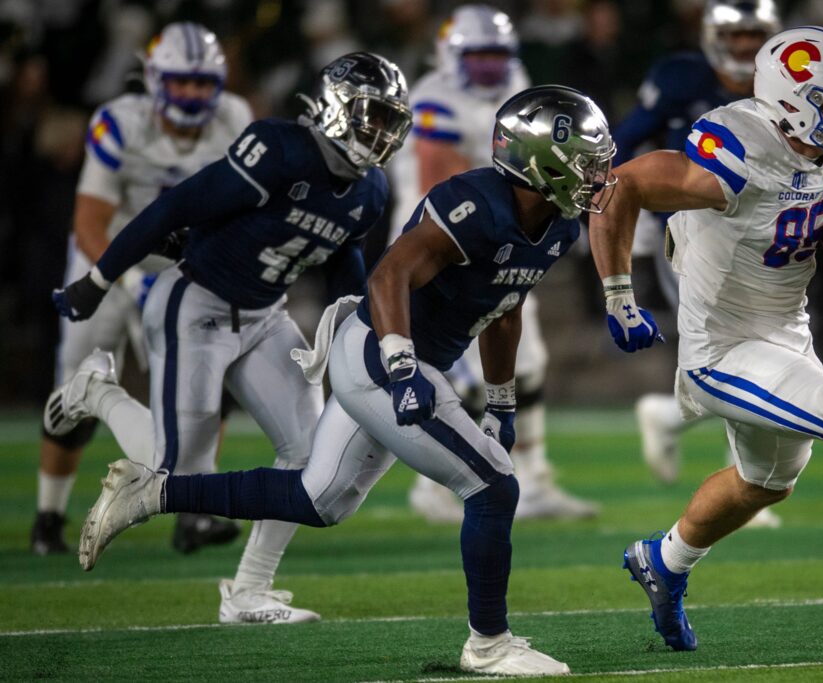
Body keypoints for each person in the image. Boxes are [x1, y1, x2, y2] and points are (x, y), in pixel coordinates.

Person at [74, 84, 618, 676]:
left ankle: (150, 492)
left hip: (408, 359)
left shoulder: (559, 224)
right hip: (383, 350)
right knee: (492, 485)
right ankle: (488, 642)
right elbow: (387, 277)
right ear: (541, 159)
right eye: (587, 160)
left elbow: (505, 306)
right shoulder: (474, 203)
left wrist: (503, 401)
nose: (598, 173)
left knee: (318, 499)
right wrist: (403, 368)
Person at [587, 26, 823, 651]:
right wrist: (618, 295)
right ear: (792, 99)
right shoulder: (738, 147)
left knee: (765, 482)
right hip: (722, 345)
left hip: (786, 330)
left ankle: (664, 561)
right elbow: (617, 188)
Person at [50, 52, 412, 624]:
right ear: (339, 110)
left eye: (390, 122)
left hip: (267, 314)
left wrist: (362, 337)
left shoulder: (371, 190)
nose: (380, 133)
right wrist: (98, 280)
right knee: (180, 475)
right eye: (371, 117)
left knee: (309, 455)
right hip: (195, 301)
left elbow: (345, 265)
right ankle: (97, 390)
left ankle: (248, 592)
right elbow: (175, 205)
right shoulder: (279, 148)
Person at [32, 22, 253, 556]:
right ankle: (48, 516)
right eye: (182, 82)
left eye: (203, 83)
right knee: (72, 392)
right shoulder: (119, 123)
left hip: (185, 267)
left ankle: (193, 512)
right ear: (154, 78)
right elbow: (88, 220)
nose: (194, 94)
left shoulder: (236, 121)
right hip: (106, 260)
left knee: (203, 384)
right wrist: (125, 275)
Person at [390, 4, 596, 522]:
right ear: (449, 54)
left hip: (506, 239)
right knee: (455, 376)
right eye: (477, 55)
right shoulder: (434, 97)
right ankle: (431, 485)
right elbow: (443, 172)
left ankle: (534, 477)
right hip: (447, 244)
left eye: (496, 55)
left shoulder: (519, 84)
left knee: (527, 364)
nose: (488, 66)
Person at [617, 2, 784, 524]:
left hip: (766, 227)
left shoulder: (784, 84)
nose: (742, 47)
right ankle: (748, 478)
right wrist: (616, 201)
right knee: (742, 345)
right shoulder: (680, 76)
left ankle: (670, 418)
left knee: (763, 346)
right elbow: (625, 139)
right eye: (735, 36)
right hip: (691, 226)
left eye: (753, 35)